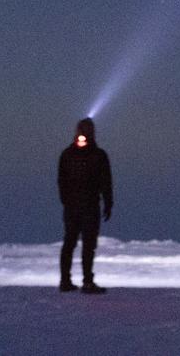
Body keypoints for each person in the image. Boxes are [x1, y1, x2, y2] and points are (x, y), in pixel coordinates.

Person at [57, 117, 113, 293]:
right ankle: (86, 282)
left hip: (74, 206)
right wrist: (108, 202)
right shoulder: (98, 155)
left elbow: (61, 181)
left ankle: (66, 281)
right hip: (87, 205)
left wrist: (66, 201)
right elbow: (106, 182)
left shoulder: (67, 154)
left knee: (71, 242)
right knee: (86, 244)